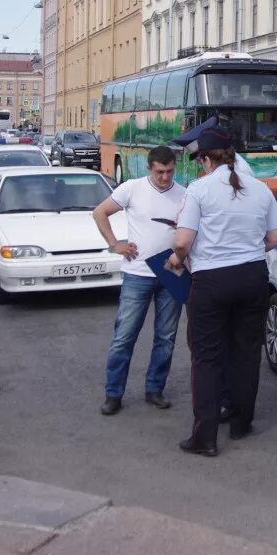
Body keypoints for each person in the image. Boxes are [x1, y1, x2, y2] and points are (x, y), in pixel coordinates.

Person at [170, 127, 277, 457]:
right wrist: (246, 249)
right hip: (252, 276)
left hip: (211, 280)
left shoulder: (199, 189)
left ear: (205, 159)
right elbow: (275, 237)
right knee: (246, 352)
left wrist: (178, 258)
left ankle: (205, 437)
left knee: (206, 358)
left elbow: (181, 241)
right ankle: (241, 423)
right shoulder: (261, 190)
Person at [91, 145, 186, 416]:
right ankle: (113, 394)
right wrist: (114, 244)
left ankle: (155, 389)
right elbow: (100, 213)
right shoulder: (131, 189)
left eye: (169, 172)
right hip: (137, 274)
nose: (165, 178)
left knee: (166, 337)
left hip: (171, 273)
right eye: (159, 172)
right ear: (149, 169)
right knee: (124, 336)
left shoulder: (184, 195)